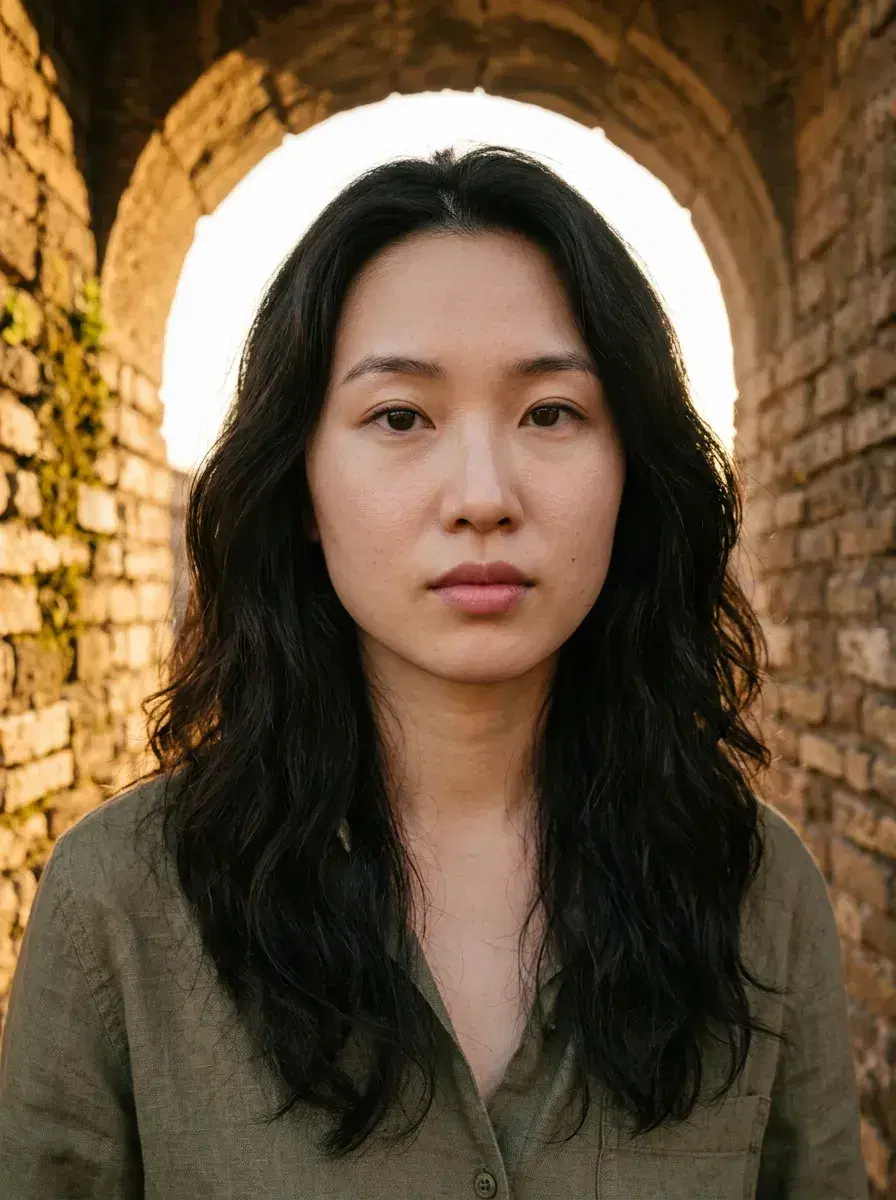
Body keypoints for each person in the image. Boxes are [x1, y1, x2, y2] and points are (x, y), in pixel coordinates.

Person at [0, 144, 868, 1199]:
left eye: (550, 412)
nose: (482, 496)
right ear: (302, 484)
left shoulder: (752, 887)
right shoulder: (120, 903)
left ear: (631, 471)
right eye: (400, 417)